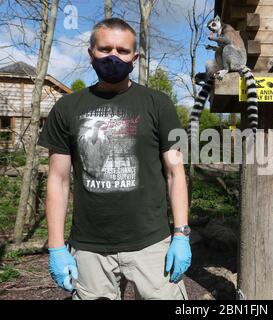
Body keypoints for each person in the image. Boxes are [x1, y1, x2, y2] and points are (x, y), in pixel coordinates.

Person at [37, 17, 191, 300]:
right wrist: (57, 247)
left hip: (152, 244)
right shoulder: (66, 107)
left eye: (122, 51)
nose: (113, 57)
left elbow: (175, 171)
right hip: (90, 248)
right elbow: (58, 180)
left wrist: (181, 235)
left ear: (135, 56)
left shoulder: (159, 104)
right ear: (90, 53)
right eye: (105, 49)